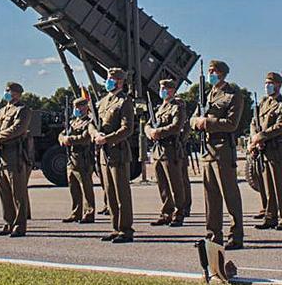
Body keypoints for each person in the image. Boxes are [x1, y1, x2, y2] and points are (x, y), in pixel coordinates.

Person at [192, 60, 245, 250]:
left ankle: (236, 235)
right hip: (207, 150)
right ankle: (213, 235)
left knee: (229, 195)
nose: (210, 74)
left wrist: (207, 122)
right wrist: (196, 122)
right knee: (211, 196)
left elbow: (232, 123)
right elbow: (194, 117)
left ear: (222, 74)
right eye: (209, 71)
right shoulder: (208, 95)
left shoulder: (233, 94)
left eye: (213, 71)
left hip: (223, 149)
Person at [93, 67, 136, 243]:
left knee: (121, 192)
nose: (108, 81)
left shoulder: (124, 102)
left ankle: (126, 229)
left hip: (118, 152)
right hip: (104, 153)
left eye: (112, 79)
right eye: (108, 78)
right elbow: (91, 122)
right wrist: (95, 134)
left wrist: (107, 139)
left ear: (119, 81)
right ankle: (115, 226)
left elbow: (127, 129)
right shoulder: (103, 101)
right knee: (110, 191)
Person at [0, 82, 33, 238]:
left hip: (15, 156)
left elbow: (18, 129)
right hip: (1, 156)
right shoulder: (0, 112)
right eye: (6, 90)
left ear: (18, 94)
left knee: (18, 193)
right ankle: (8, 222)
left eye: (10, 91)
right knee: (4, 192)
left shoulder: (23, 110)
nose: (7, 93)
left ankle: (20, 226)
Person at [250, 72, 282, 230]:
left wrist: (262, 136)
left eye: (270, 83)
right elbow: (254, 123)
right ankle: (270, 216)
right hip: (264, 151)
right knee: (267, 186)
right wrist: (254, 138)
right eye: (266, 83)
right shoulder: (263, 103)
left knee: (280, 186)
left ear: (278, 85)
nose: (267, 86)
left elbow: (281, 126)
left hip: (277, 150)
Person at [145, 78, 189, 227]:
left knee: (175, 183)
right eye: (161, 88)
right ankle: (166, 212)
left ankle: (179, 213)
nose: (162, 90)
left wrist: (159, 132)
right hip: (158, 150)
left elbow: (177, 126)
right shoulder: (159, 108)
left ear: (172, 90)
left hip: (171, 149)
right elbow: (148, 124)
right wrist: (150, 131)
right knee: (162, 184)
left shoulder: (177, 107)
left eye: (165, 88)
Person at [58, 95, 96, 224]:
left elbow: (86, 138)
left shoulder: (89, 122)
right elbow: (61, 134)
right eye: (74, 106)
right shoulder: (73, 122)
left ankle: (89, 213)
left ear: (85, 107)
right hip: (72, 158)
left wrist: (70, 140)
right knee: (73, 187)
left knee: (86, 187)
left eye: (78, 106)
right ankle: (76, 212)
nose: (76, 109)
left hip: (83, 158)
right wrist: (63, 139)